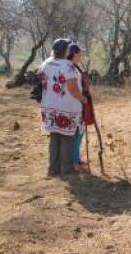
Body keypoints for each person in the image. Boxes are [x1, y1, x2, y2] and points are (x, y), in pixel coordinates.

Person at [38, 38, 86, 177]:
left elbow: (40, 78)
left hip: (49, 106)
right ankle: (66, 170)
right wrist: (81, 98)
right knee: (67, 138)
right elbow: (71, 86)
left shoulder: (46, 63)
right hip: (67, 107)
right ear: (66, 50)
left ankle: (53, 169)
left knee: (54, 137)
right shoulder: (68, 66)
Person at [67, 43, 89, 172]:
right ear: (75, 54)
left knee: (80, 132)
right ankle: (74, 161)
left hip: (78, 105)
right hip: (73, 105)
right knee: (76, 133)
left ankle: (76, 158)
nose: (81, 56)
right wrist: (82, 98)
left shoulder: (74, 67)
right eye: (80, 53)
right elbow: (73, 88)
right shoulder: (69, 67)